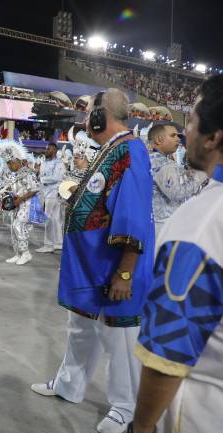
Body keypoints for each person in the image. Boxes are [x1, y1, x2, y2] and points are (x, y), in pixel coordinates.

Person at [31, 89, 155, 433]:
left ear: (102, 116)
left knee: (120, 339)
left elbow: (132, 216)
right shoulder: (111, 150)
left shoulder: (131, 151)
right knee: (81, 330)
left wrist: (125, 273)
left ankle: (126, 407)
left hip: (114, 268)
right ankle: (69, 386)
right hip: (91, 265)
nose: (85, 120)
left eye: (89, 114)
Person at [130, 75, 223, 433]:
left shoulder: (202, 226)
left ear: (214, 138)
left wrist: (141, 427)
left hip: (205, 409)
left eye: (193, 124)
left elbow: (167, 352)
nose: (186, 135)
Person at [147, 124, 206, 237]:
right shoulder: (162, 163)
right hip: (163, 225)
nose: (178, 139)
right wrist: (203, 171)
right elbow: (177, 192)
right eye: (173, 135)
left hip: (155, 223)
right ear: (159, 140)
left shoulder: (151, 159)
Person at [0, 139, 40, 266]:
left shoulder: (28, 172)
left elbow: (35, 189)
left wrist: (20, 199)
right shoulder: (14, 174)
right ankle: (17, 253)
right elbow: (10, 188)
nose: (8, 166)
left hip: (27, 204)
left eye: (10, 163)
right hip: (16, 205)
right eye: (7, 163)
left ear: (17, 161)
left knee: (18, 226)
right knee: (13, 229)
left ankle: (26, 253)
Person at [36, 142, 66, 252]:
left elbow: (57, 177)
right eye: (46, 149)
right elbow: (40, 176)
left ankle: (48, 244)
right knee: (54, 218)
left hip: (54, 192)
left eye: (48, 149)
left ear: (54, 150)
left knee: (49, 217)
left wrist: (43, 179)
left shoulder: (59, 163)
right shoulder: (44, 162)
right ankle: (58, 243)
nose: (46, 151)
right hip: (45, 192)